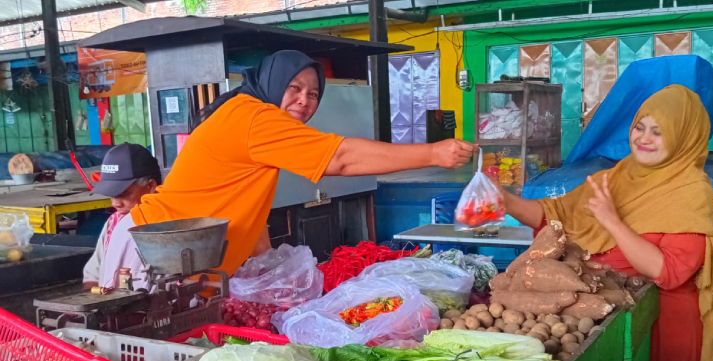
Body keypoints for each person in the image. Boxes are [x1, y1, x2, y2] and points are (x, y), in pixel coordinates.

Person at [503, 85, 713, 361]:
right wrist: (503, 198)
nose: (643, 138)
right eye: (640, 127)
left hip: (665, 321)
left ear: (684, 135)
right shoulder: (615, 177)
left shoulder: (692, 191)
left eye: (659, 131)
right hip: (607, 310)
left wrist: (612, 220)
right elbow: (554, 217)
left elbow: (670, 271)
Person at [103, 50, 476, 288]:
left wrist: (267, 274)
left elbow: (246, 206)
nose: (304, 100)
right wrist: (432, 153)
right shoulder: (254, 117)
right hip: (157, 252)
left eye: (313, 94)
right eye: (294, 88)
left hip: (180, 252)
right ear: (272, 84)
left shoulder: (249, 117)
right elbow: (341, 159)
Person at [82, 143, 161, 289]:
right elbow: (94, 274)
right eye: (111, 195)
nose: (115, 204)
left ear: (151, 186)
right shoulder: (115, 222)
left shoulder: (166, 225)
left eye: (123, 195)